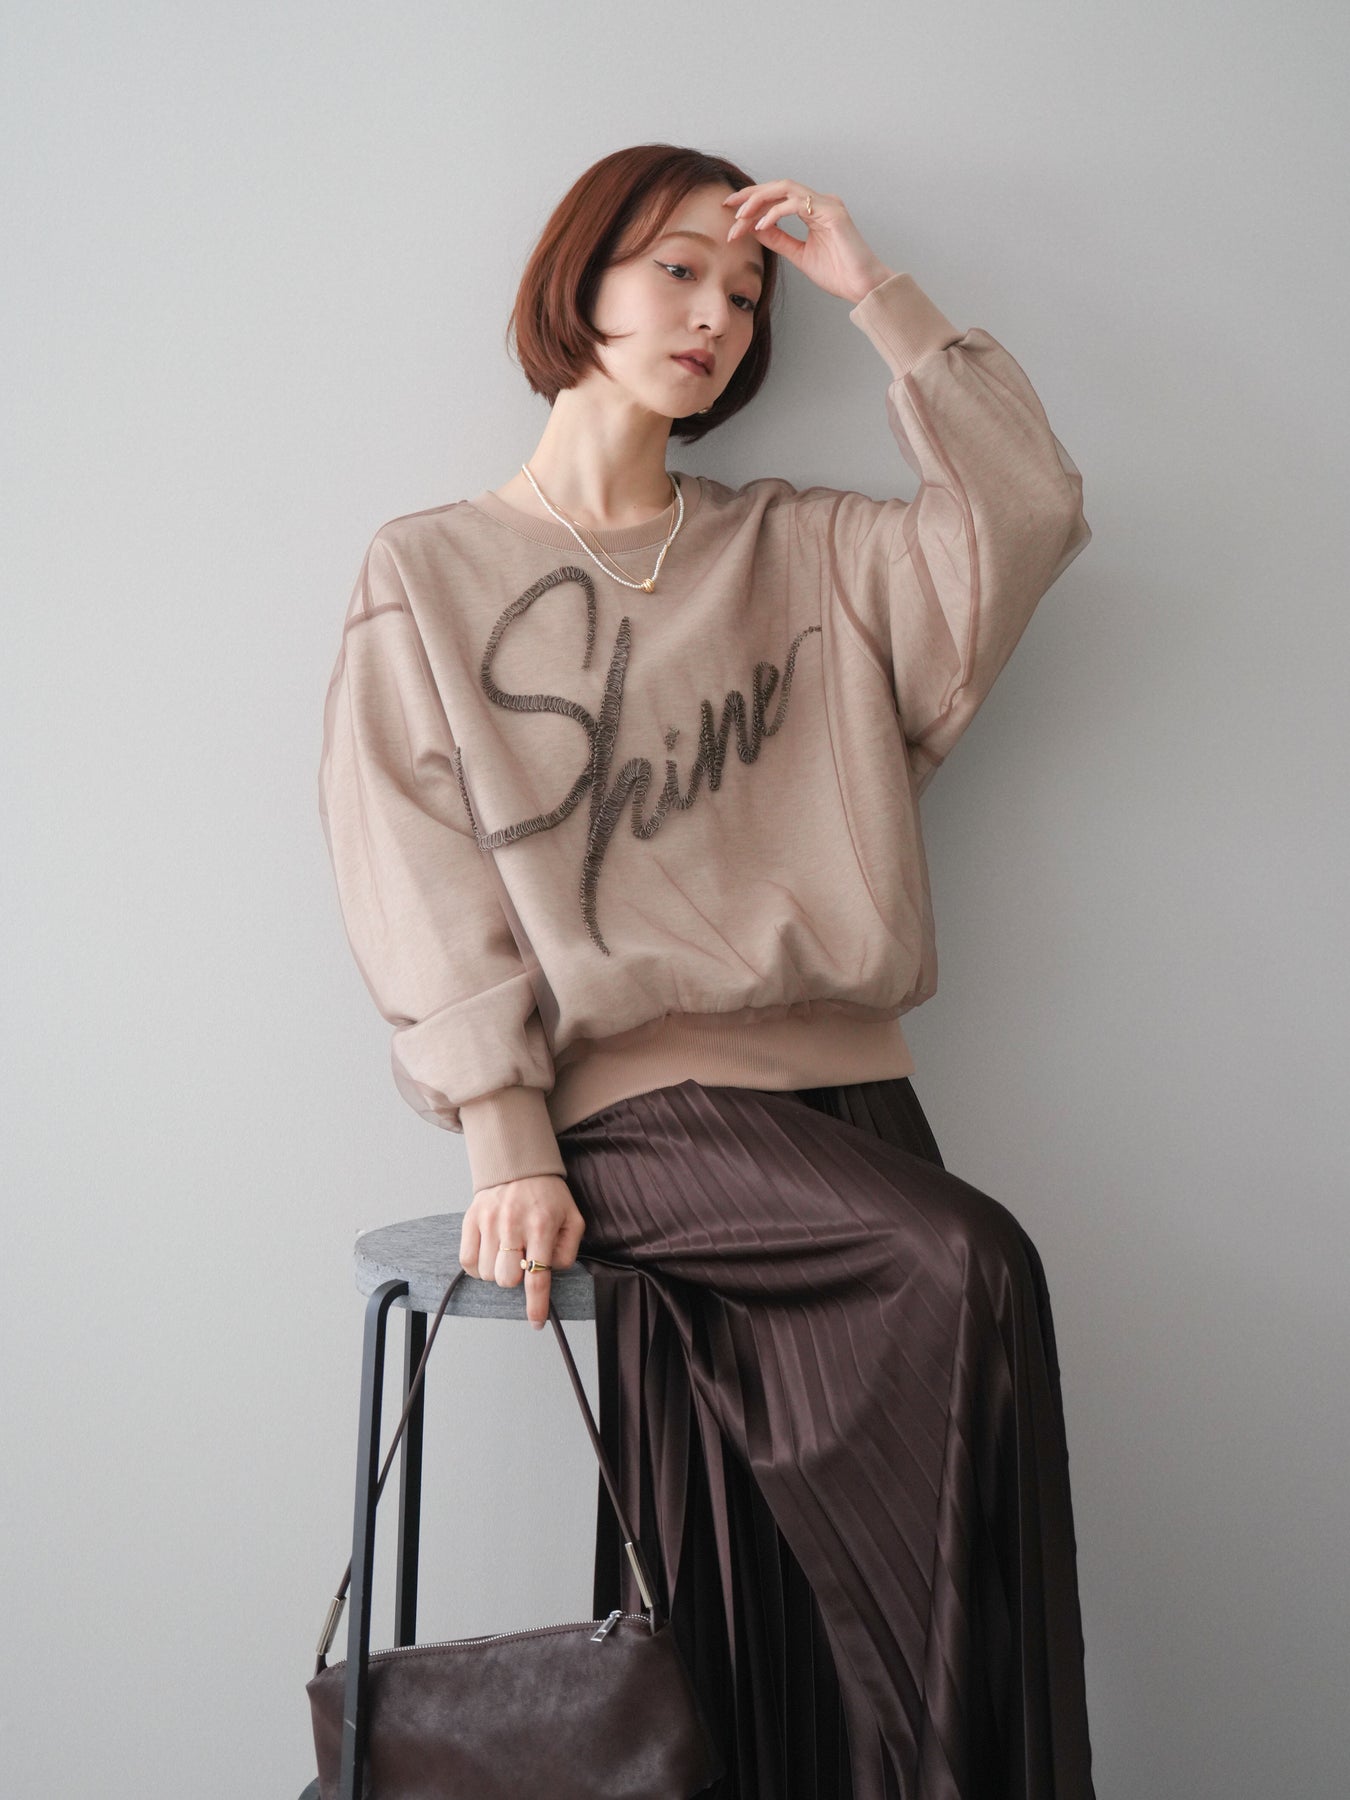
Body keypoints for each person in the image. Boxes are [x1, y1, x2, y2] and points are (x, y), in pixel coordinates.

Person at [317, 141, 1096, 1799]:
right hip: (635, 1121)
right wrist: (505, 1140)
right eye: (674, 269)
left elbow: (1025, 515)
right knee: (964, 1264)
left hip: (849, 1107)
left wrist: (872, 295)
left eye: (743, 295)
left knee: (763, 1555)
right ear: (578, 280)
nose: (715, 317)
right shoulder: (430, 569)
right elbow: (412, 870)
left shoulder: (801, 548)